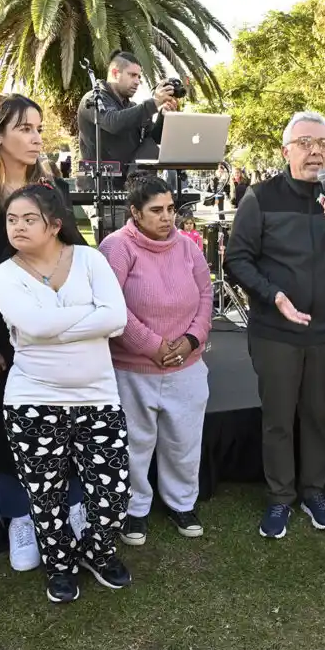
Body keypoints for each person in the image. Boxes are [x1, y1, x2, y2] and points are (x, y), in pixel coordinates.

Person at [0, 94, 89, 573]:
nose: (36, 138)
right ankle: (18, 518)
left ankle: (72, 507)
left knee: (67, 425)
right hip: (3, 342)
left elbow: (75, 255)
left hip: (57, 334)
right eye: (25, 129)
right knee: (10, 433)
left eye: (38, 128)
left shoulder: (53, 192)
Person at [225, 111, 325, 539]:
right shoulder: (261, 196)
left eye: (323, 144)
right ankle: (279, 498)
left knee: (317, 414)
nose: (315, 151)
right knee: (277, 417)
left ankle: (314, 492)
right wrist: (273, 296)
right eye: (306, 143)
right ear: (286, 150)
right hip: (275, 330)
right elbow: (237, 259)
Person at [0, 184, 131, 604]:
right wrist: (92, 316)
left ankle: (95, 550)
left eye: (28, 219)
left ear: (54, 225)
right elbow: (31, 325)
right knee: (45, 495)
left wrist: (48, 325)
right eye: (12, 220)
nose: (17, 227)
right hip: (31, 400)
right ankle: (59, 566)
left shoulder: (89, 259)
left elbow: (118, 317)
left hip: (97, 397)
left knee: (113, 494)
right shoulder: (4, 274)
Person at [99, 173, 213, 545]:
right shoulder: (116, 247)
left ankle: (182, 502)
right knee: (134, 441)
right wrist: (152, 346)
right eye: (156, 211)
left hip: (187, 362)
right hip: (133, 367)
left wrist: (190, 340)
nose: (168, 218)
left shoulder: (188, 247)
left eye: (171, 209)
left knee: (184, 439)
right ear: (134, 211)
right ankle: (135, 509)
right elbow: (112, 306)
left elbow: (206, 297)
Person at [76, 50, 177, 176]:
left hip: (130, 185)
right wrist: (154, 103)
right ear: (115, 73)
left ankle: (140, 189)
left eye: (139, 77)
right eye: (132, 75)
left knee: (150, 145)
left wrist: (163, 115)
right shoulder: (93, 99)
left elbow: (153, 140)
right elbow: (113, 122)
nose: (137, 81)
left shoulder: (133, 108)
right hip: (98, 186)